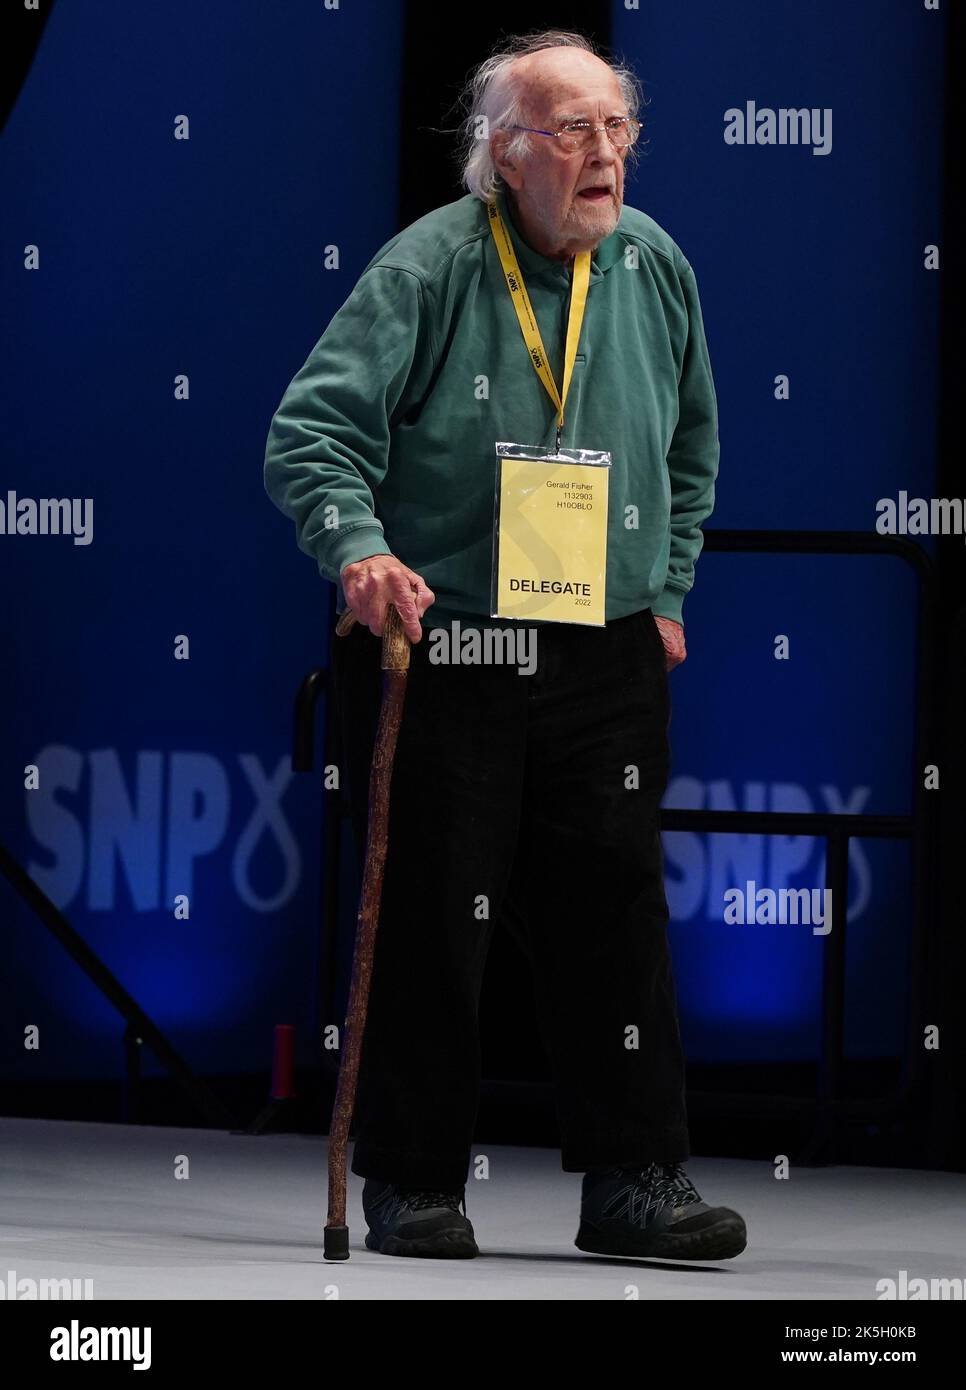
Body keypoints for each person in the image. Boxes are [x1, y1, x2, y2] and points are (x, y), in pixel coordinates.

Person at [264, 29, 747, 1262]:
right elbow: (311, 434)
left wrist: (671, 584)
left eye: (617, 127)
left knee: (617, 920)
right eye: (572, 130)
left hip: (607, 643)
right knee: (433, 914)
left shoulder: (654, 266)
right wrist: (361, 553)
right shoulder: (428, 265)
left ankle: (636, 1181)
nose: (605, 155)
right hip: (454, 640)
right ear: (502, 152)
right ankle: (413, 1181)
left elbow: (693, 452)